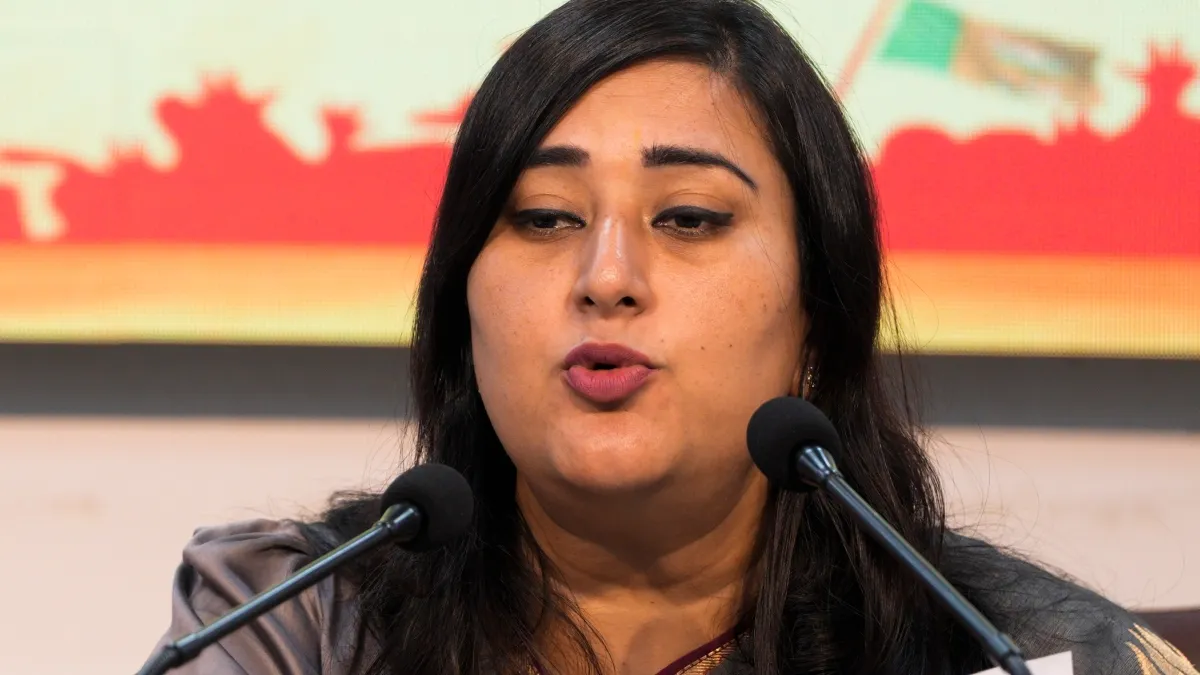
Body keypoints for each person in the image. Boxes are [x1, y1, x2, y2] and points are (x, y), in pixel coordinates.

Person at [143, 0, 1197, 673]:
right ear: (461, 306)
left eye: (688, 218)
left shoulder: (1008, 650)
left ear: (819, 314)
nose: (606, 278)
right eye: (544, 219)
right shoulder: (297, 624)